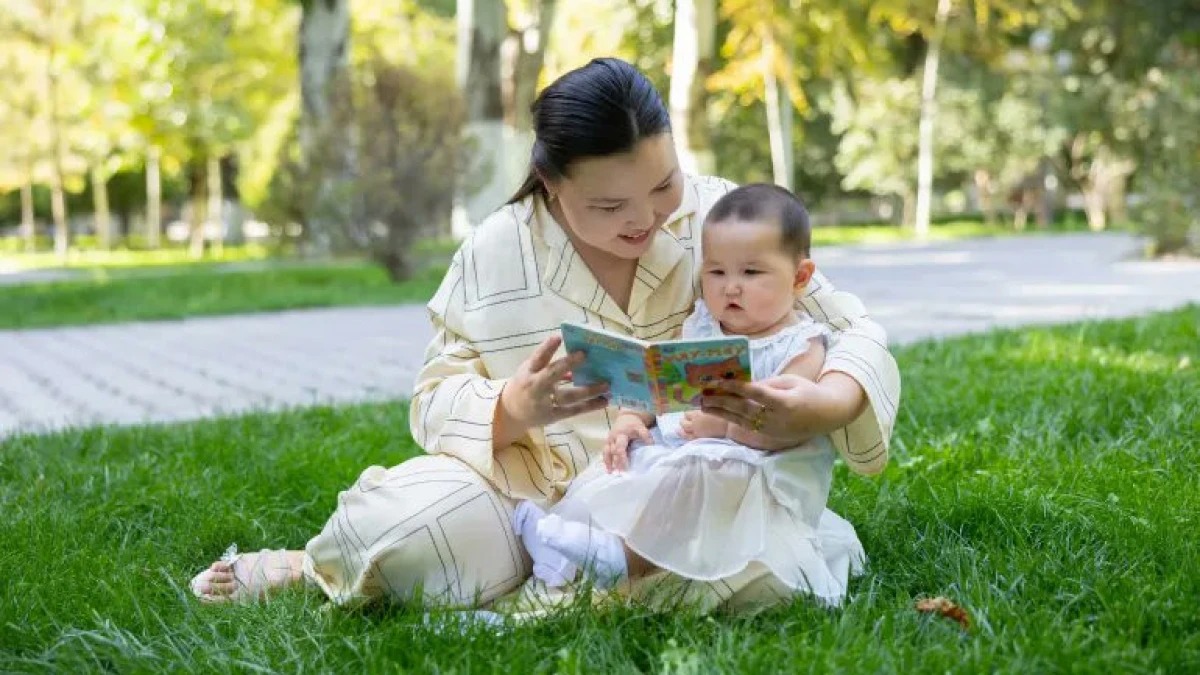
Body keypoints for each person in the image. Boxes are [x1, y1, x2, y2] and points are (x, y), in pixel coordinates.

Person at [189, 57, 899, 612]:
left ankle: (573, 577)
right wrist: (513, 407)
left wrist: (826, 404)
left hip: (681, 490)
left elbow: (852, 330)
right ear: (550, 181)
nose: (644, 219)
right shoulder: (495, 251)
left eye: (662, 186)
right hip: (523, 495)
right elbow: (431, 401)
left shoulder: (723, 218)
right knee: (405, 534)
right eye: (610, 205)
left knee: (764, 567)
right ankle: (312, 565)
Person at [512, 183, 866, 607]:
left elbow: (782, 428)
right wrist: (631, 419)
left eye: (751, 273)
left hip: (751, 469)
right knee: (623, 470)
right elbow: (661, 389)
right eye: (716, 273)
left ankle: (622, 560)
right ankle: (563, 558)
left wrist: (723, 427)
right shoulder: (702, 326)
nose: (730, 288)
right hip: (679, 449)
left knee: (707, 474)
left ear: (800, 277)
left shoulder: (801, 346)